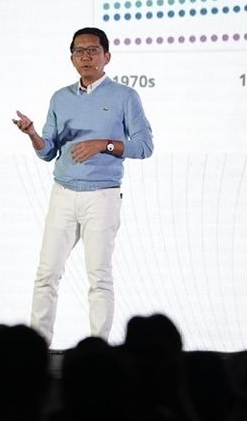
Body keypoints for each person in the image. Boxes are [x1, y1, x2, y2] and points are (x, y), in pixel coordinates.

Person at [13, 27, 153, 345]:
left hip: (102, 196)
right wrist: (33, 134)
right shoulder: (60, 98)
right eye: (79, 51)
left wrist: (104, 144)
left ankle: (98, 348)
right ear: (72, 58)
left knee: (98, 277)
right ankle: (37, 345)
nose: (86, 57)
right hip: (63, 194)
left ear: (107, 56)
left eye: (92, 50)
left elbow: (144, 147)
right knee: (46, 273)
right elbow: (48, 152)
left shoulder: (125, 97)